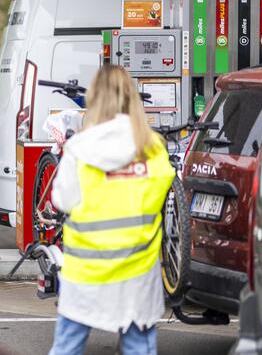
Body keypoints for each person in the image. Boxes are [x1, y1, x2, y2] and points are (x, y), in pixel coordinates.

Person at [48, 65, 174, 355]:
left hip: (87, 272)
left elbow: (62, 201)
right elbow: (162, 190)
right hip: (137, 271)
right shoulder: (152, 146)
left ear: (95, 98)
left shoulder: (80, 147)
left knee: (67, 347)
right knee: (138, 348)